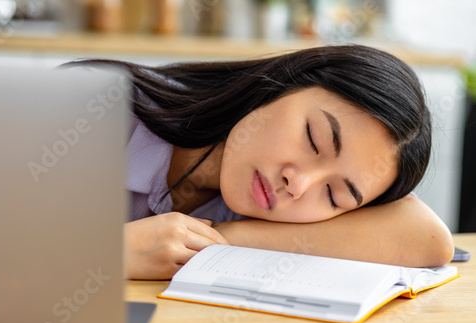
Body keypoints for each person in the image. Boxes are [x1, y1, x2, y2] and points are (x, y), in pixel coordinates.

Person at [64, 44, 454, 280]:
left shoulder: (246, 211)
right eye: (314, 139)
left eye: (334, 196)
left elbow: (429, 239)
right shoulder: (92, 109)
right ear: (283, 83)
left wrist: (216, 243)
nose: (298, 185)